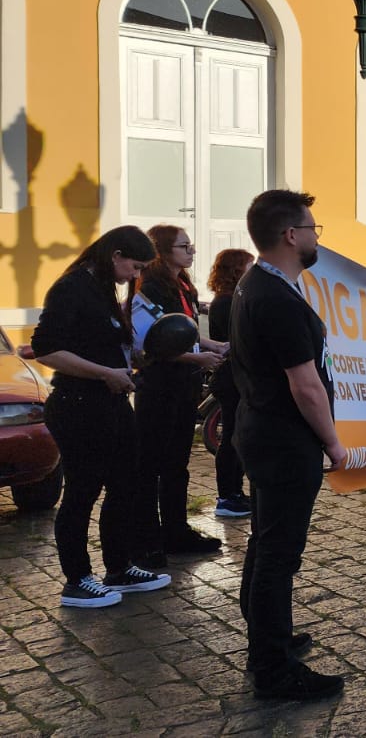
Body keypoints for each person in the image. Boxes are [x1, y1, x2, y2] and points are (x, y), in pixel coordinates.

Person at [229, 190, 346, 700]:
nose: (317, 236)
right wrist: (335, 445)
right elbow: (305, 385)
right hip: (283, 441)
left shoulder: (257, 284)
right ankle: (272, 669)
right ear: (290, 235)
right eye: (313, 227)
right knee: (279, 552)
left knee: (266, 541)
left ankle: (267, 634)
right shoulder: (273, 295)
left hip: (262, 431)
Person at [33, 226, 166, 609]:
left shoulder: (106, 289)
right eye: (135, 266)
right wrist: (104, 373)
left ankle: (119, 567)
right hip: (78, 406)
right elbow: (46, 349)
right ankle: (77, 580)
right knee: (82, 491)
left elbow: (106, 345)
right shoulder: (71, 288)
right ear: (116, 255)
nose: (135, 275)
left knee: (126, 483)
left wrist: (132, 362)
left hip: (113, 404)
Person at [128, 225, 227, 565]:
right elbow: (151, 344)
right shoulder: (151, 287)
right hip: (160, 386)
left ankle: (176, 530)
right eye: (184, 246)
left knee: (177, 464)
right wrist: (197, 357)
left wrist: (214, 345)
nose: (192, 251)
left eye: (191, 245)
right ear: (163, 251)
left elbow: (187, 333)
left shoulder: (183, 282)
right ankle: (147, 537)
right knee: (151, 464)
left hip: (185, 384)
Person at [207, 249, 256, 519]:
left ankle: (235, 492)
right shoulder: (226, 302)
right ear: (236, 269)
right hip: (231, 379)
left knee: (237, 436)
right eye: (249, 266)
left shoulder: (231, 298)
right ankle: (227, 495)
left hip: (237, 377)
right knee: (232, 437)